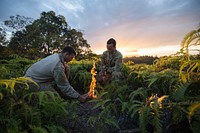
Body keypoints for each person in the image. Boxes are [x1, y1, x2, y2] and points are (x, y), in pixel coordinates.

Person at [24, 46, 90, 102]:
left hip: (36, 77)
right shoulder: (58, 66)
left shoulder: (56, 56)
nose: (71, 59)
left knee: (67, 68)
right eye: (71, 57)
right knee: (55, 99)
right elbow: (63, 85)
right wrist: (78, 97)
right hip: (32, 82)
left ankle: (64, 92)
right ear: (66, 54)